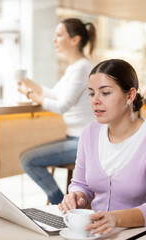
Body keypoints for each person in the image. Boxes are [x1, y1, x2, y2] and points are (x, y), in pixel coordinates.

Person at [58, 59, 146, 235]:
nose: (95, 101)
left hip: (143, 236)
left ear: (130, 95)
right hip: (97, 235)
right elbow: (81, 184)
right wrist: (77, 196)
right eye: (91, 94)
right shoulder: (89, 133)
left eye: (105, 93)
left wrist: (116, 218)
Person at [18, 18, 96, 204]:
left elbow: (61, 106)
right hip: (74, 137)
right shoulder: (74, 68)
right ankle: (62, 204)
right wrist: (26, 82)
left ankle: (60, 204)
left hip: (83, 141)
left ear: (75, 40)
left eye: (59, 35)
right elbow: (54, 94)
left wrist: (30, 93)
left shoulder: (82, 68)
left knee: (28, 159)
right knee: (27, 157)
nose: (54, 40)